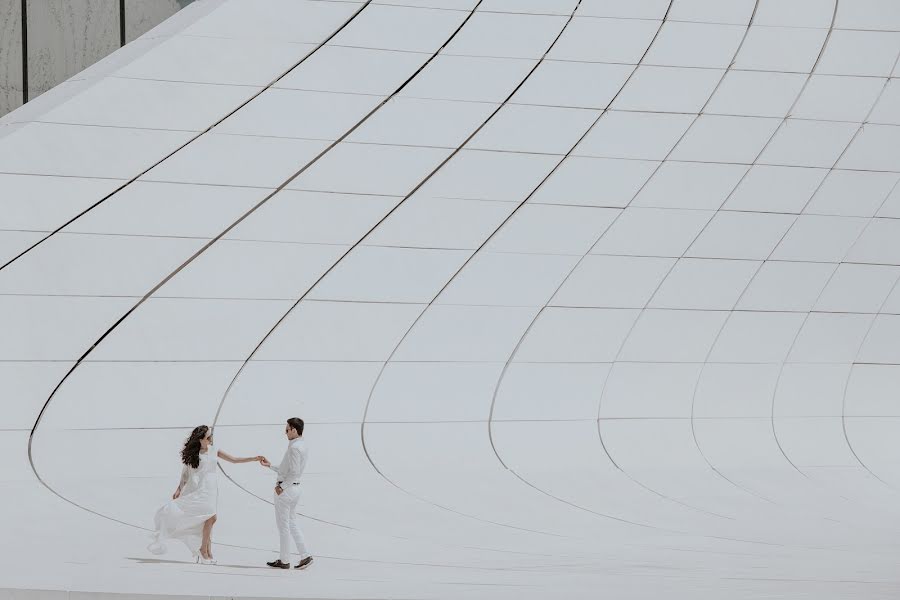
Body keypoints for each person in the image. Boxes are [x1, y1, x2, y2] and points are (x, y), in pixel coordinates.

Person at [148, 425, 265, 564]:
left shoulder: (214, 450)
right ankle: (204, 551)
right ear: (200, 440)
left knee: (209, 520)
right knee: (211, 518)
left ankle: (207, 552)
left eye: (211, 436)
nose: (211, 439)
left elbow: (234, 459)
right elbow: (185, 474)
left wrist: (254, 458)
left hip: (211, 489)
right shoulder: (193, 454)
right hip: (198, 489)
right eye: (208, 437)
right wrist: (179, 489)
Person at [261, 417, 313, 570]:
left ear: (294, 430)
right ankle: (305, 555)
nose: (285, 433)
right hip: (295, 489)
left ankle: (284, 560)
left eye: (287, 430)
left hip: (287, 490)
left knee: (283, 526)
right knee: (291, 523)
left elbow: (294, 472)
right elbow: (289, 469)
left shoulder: (294, 448)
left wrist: (281, 487)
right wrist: (270, 466)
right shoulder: (302, 445)